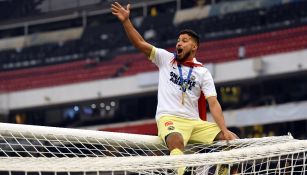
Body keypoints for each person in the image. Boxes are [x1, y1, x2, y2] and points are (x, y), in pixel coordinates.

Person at [111, 2, 238, 174]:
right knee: (176, 140)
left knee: (233, 141)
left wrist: (224, 130)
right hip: (170, 118)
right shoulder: (166, 59)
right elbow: (140, 43)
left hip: (195, 123)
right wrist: (126, 21)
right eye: (178, 40)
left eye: (184, 41)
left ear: (194, 47)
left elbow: (213, 103)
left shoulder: (202, 72)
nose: (179, 43)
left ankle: (222, 172)